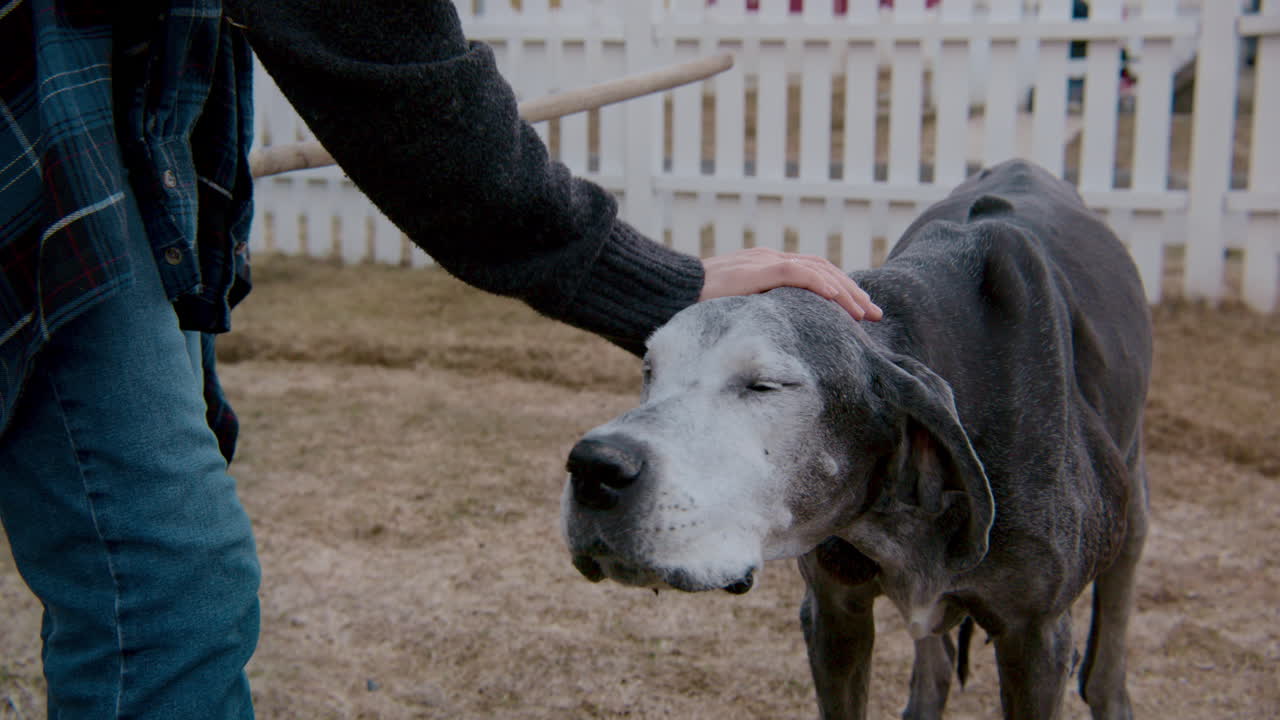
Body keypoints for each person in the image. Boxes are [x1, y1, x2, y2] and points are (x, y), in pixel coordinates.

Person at [0, 1, 879, 717]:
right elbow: (378, 51)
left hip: (97, 128)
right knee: (162, 587)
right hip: (39, 132)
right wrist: (647, 279)